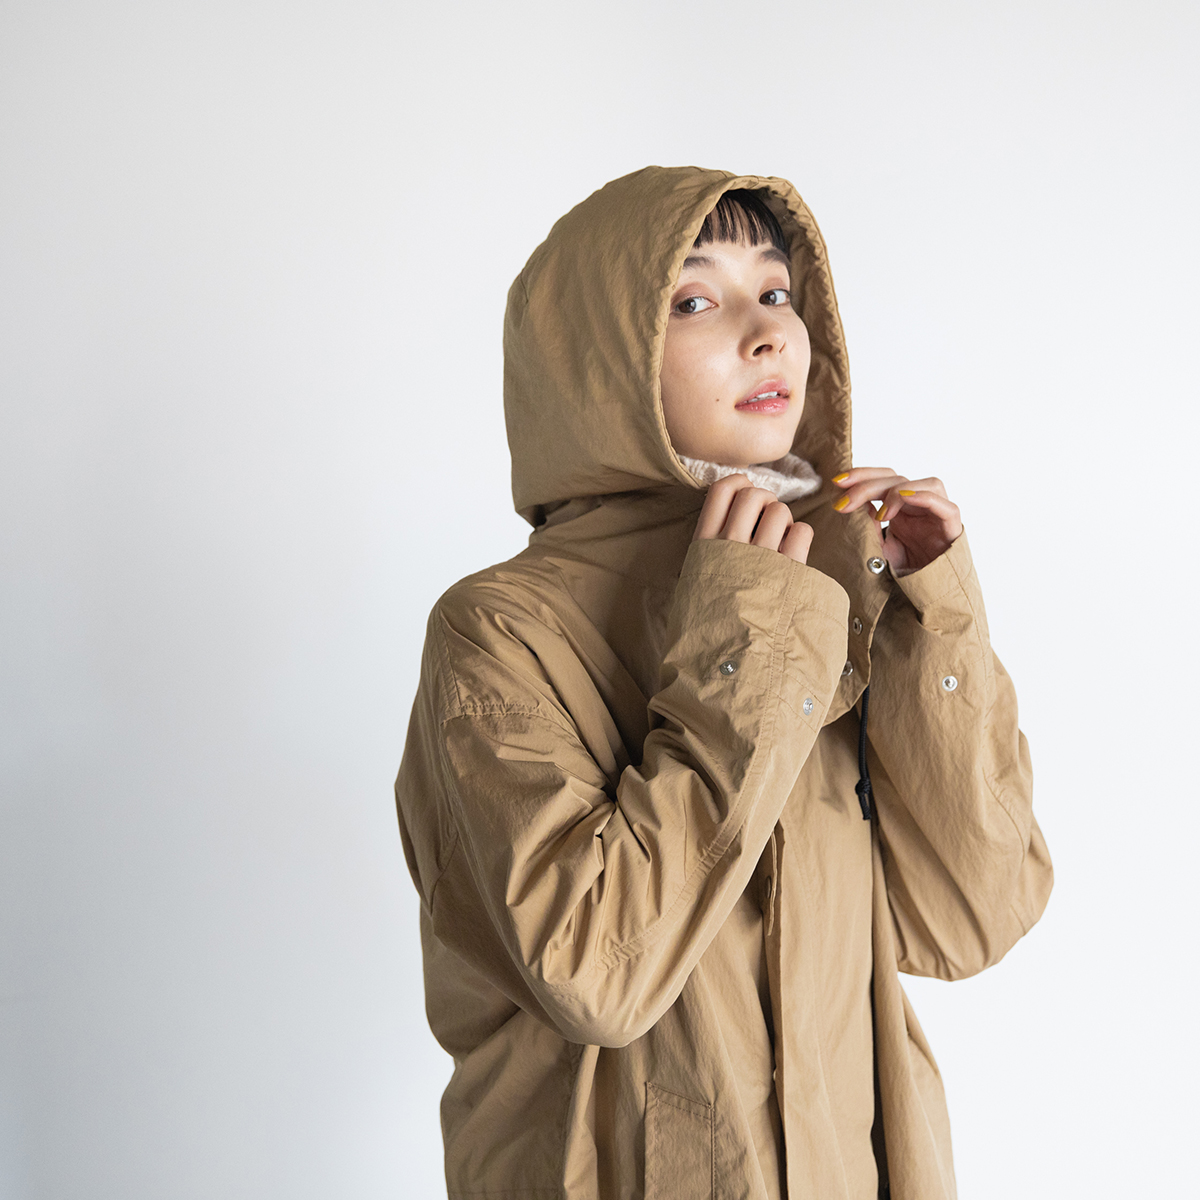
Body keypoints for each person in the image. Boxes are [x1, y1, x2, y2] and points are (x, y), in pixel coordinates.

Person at [393, 166, 1053, 1200]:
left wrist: (933, 626)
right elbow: (598, 973)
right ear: (596, 363)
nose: (767, 333)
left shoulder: (820, 592)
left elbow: (972, 916)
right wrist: (744, 644)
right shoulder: (501, 632)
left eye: (777, 292)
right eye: (696, 300)